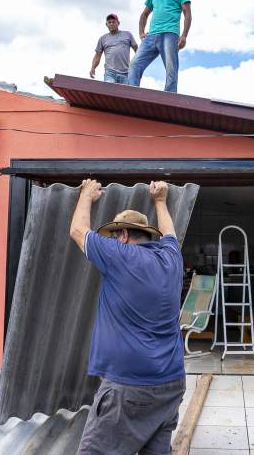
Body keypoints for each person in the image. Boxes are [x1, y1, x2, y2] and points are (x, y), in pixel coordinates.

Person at [69, 179, 186, 455]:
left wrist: (86, 195)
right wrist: (160, 201)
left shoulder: (119, 255)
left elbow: (77, 230)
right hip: (170, 384)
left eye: (113, 236)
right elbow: (170, 233)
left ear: (122, 235)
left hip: (130, 387)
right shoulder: (171, 257)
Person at [127, 0, 192, 93]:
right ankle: (132, 93)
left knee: (171, 68)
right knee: (134, 65)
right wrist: (141, 32)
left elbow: (187, 14)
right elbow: (144, 14)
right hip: (152, 35)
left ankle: (170, 97)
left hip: (170, 34)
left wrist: (184, 35)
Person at [91, 13, 138, 84]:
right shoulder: (102, 39)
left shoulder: (128, 35)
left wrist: (136, 66)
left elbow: (137, 50)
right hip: (110, 73)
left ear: (118, 23)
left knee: (125, 93)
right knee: (109, 89)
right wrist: (93, 68)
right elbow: (97, 56)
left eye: (113, 22)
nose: (111, 24)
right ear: (106, 24)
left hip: (125, 73)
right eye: (109, 22)